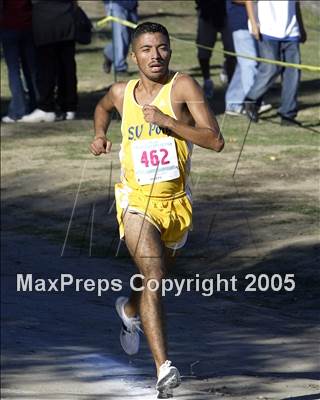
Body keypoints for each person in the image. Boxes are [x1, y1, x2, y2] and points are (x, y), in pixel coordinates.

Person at [90, 22, 224, 398]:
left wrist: (168, 122)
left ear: (170, 50)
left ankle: (130, 311)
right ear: (134, 56)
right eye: (146, 49)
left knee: (156, 278)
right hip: (134, 201)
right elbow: (101, 108)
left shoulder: (182, 87)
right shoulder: (122, 93)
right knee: (152, 270)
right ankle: (164, 368)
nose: (155, 55)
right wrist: (100, 134)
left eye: (162, 48)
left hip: (176, 204)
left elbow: (215, 140)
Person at [244, 0, 307, 125]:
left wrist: (300, 27)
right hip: (267, 30)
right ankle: (251, 100)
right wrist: (253, 22)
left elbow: (295, 3)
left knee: (293, 73)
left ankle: (287, 114)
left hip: (291, 32)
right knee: (270, 69)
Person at [21, 0, 78, 123]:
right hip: (66, 19)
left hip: (45, 21)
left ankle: (47, 107)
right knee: (67, 66)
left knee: (46, 67)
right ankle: (68, 107)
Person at [225, 0, 272, 116]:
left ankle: (233, 102)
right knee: (249, 63)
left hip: (255, 23)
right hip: (241, 22)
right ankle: (254, 103)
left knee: (244, 65)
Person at [0, 0, 38, 123]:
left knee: (14, 71)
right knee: (31, 69)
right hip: (28, 26)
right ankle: (37, 104)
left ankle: (18, 109)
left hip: (9, 27)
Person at [195, 0, 236, 98]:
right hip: (206, 12)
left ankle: (231, 86)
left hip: (228, 12)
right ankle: (207, 81)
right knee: (203, 51)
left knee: (231, 51)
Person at [102, 0, 138, 75]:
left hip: (132, 5)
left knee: (129, 37)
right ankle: (120, 67)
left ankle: (109, 53)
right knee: (121, 35)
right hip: (116, 4)